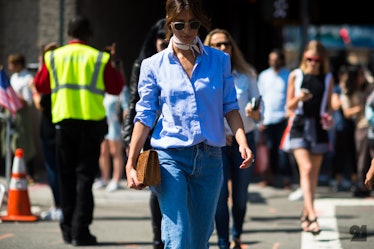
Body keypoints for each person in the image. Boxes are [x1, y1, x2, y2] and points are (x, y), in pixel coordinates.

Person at [125, 1, 254, 248]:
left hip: (210, 159)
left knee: (199, 238)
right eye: (179, 24)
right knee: (179, 236)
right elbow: (144, 115)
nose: (187, 30)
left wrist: (242, 142)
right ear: (169, 23)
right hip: (170, 158)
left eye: (193, 24)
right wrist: (131, 162)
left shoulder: (219, 60)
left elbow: (230, 106)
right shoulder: (153, 65)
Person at [34, 16, 124, 246]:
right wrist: (113, 63)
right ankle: (80, 231)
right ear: (89, 32)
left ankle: (67, 229)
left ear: (67, 32)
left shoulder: (53, 56)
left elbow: (41, 86)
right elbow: (116, 87)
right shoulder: (99, 58)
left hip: (64, 125)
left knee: (66, 178)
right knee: (85, 179)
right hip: (91, 126)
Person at [203, 28, 260, 249]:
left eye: (226, 43)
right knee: (219, 196)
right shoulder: (204, 74)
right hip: (217, 143)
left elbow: (258, 109)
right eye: (217, 45)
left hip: (244, 140)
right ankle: (224, 242)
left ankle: (237, 234)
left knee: (240, 196)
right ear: (209, 48)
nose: (222, 48)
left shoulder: (247, 74)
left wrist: (255, 112)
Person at [122, 18, 167, 249]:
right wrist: (129, 139)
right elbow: (134, 102)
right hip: (148, 132)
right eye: (160, 38)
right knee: (154, 185)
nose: (164, 42)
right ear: (153, 40)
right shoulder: (144, 65)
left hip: (173, 132)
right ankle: (158, 237)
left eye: (167, 38)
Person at [286, 40, 334, 235]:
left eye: (317, 59)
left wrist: (330, 116)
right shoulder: (295, 75)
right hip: (299, 125)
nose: (313, 62)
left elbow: (329, 105)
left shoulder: (328, 77)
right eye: (309, 58)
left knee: (313, 174)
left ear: (322, 60)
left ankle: (306, 214)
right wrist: (299, 98)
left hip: (319, 127)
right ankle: (313, 215)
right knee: (305, 168)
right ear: (304, 58)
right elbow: (288, 106)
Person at [31, 42, 63, 221]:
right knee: (65, 168)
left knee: (53, 168)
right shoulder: (65, 73)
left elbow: (41, 103)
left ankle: (59, 206)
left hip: (50, 127)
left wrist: (35, 94)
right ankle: (66, 205)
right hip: (64, 124)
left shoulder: (49, 75)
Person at [93, 43, 128, 192]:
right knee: (103, 152)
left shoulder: (122, 88)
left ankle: (116, 179)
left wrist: (125, 125)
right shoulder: (103, 86)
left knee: (115, 152)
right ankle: (105, 178)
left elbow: (127, 108)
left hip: (115, 124)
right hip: (104, 122)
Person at [257, 48, 293, 189]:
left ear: (282, 60)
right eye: (271, 60)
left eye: (276, 60)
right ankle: (269, 178)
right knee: (269, 149)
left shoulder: (288, 75)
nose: (274, 62)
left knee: (283, 150)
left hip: (283, 118)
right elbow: (259, 97)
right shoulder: (264, 76)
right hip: (267, 119)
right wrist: (260, 118)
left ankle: (286, 180)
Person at [340, 64, 374, 197]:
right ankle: (363, 185)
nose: (362, 77)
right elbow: (346, 112)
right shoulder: (348, 91)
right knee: (362, 158)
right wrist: (360, 107)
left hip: (372, 127)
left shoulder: (369, 86)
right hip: (361, 127)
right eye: (359, 75)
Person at [5, 53, 37, 183]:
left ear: (18, 64)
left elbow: (28, 100)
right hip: (12, 113)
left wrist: (13, 95)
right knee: (14, 142)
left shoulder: (27, 78)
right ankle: (16, 171)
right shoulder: (14, 77)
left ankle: (30, 173)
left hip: (23, 114)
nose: (10, 66)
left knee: (25, 142)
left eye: (12, 63)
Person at [330, 64, 357, 192]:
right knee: (339, 155)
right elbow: (335, 105)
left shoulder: (354, 88)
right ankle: (338, 180)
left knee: (353, 155)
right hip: (340, 126)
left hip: (353, 126)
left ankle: (355, 181)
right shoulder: (336, 89)